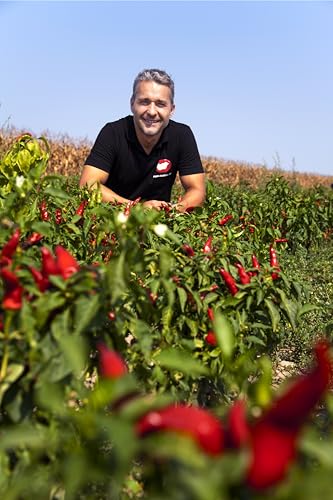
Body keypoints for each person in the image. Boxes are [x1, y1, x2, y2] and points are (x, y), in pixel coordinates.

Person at [79, 68, 206, 212]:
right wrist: (136, 208)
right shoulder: (113, 133)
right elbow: (88, 184)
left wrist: (173, 210)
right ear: (132, 104)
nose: (152, 112)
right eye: (144, 102)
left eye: (160, 104)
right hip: (114, 219)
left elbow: (197, 190)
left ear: (172, 109)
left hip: (159, 222)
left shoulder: (182, 135)